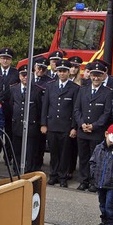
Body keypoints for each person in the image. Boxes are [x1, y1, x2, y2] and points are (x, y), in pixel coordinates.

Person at [74, 61, 113, 192]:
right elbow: (77, 110)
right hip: (83, 130)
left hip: (96, 131)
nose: (96, 78)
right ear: (90, 76)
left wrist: (94, 126)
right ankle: (83, 180)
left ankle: (93, 181)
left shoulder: (107, 92)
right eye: (94, 75)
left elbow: (106, 113)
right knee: (83, 157)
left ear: (103, 77)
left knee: (95, 158)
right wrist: (81, 124)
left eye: (99, 75)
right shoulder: (82, 90)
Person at [41, 59, 79, 187]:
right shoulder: (50, 86)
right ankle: (53, 175)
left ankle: (63, 177)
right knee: (53, 152)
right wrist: (43, 124)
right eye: (60, 71)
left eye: (64, 71)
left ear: (69, 73)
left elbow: (75, 109)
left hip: (66, 126)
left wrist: (74, 127)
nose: (62, 74)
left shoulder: (74, 88)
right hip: (52, 125)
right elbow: (45, 106)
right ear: (56, 72)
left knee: (64, 153)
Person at [7, 65, 44, 173]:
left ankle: (29, 170)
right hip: (17, 124)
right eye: (23, 75)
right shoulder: (14, 89)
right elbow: (11, 105)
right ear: (19, 76)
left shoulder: (37, 90)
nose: (25, 77)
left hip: (31, 126)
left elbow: (39, 108)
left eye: (28, 75)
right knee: (17, 149)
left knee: (30, 150)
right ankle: (17, 169)